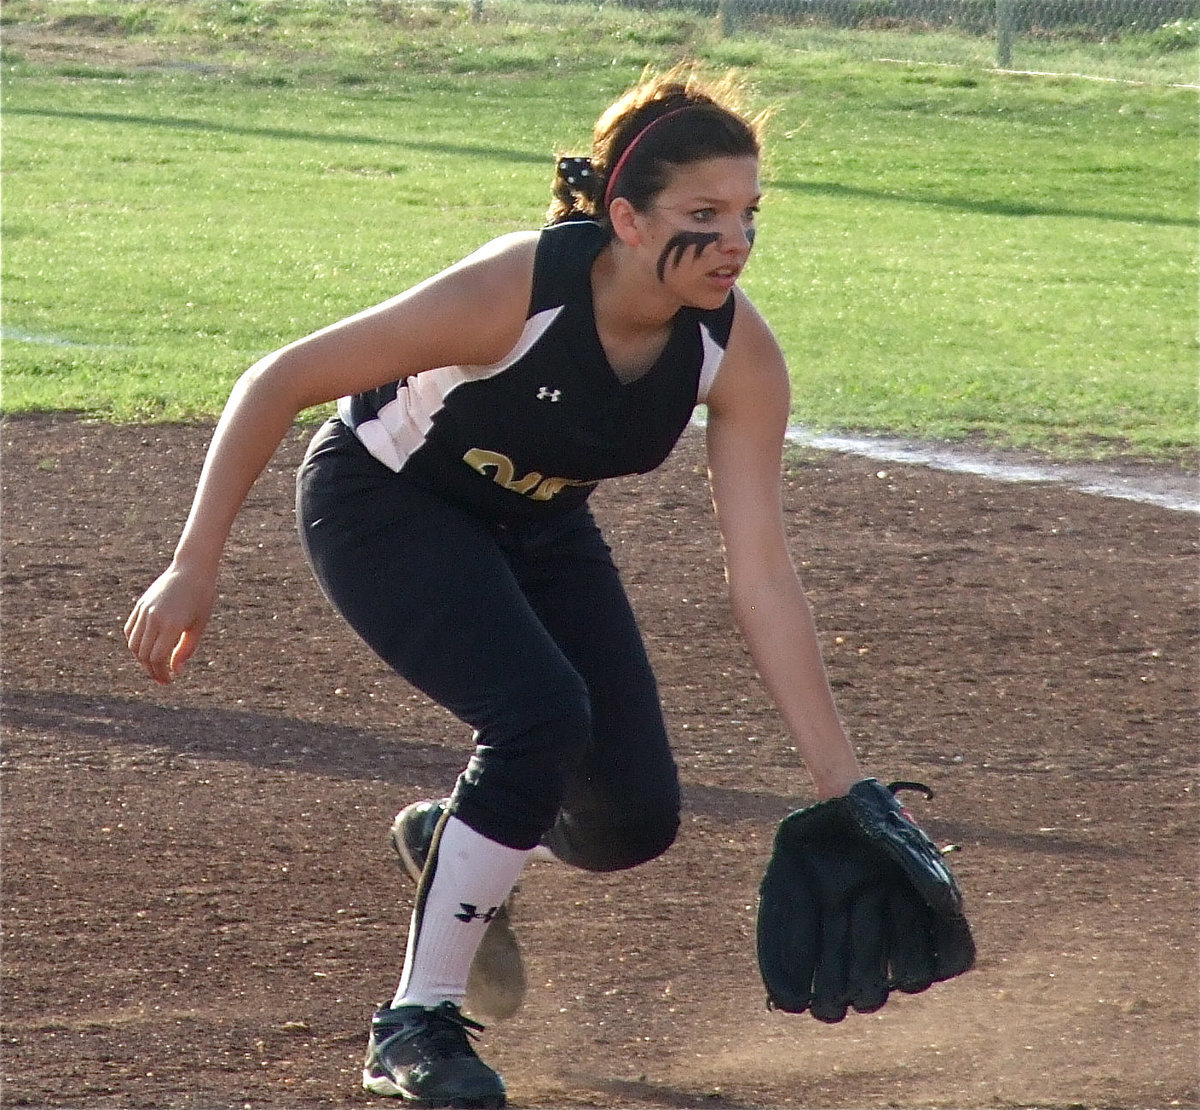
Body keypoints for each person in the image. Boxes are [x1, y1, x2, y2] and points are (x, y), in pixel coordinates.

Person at [124, 63, 865, 1110]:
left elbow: (764, 574)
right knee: (538, 714)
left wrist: (846, 787)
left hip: (539, 527)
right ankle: (412, 1026)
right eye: (704, 213)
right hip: (384, 502)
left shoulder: (733, 350)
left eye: (749, 212)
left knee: (631, 819)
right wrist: (195, 563)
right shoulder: (518, 288)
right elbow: (281, 378)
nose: (735, 239)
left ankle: (455, 833)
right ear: (625, 215)